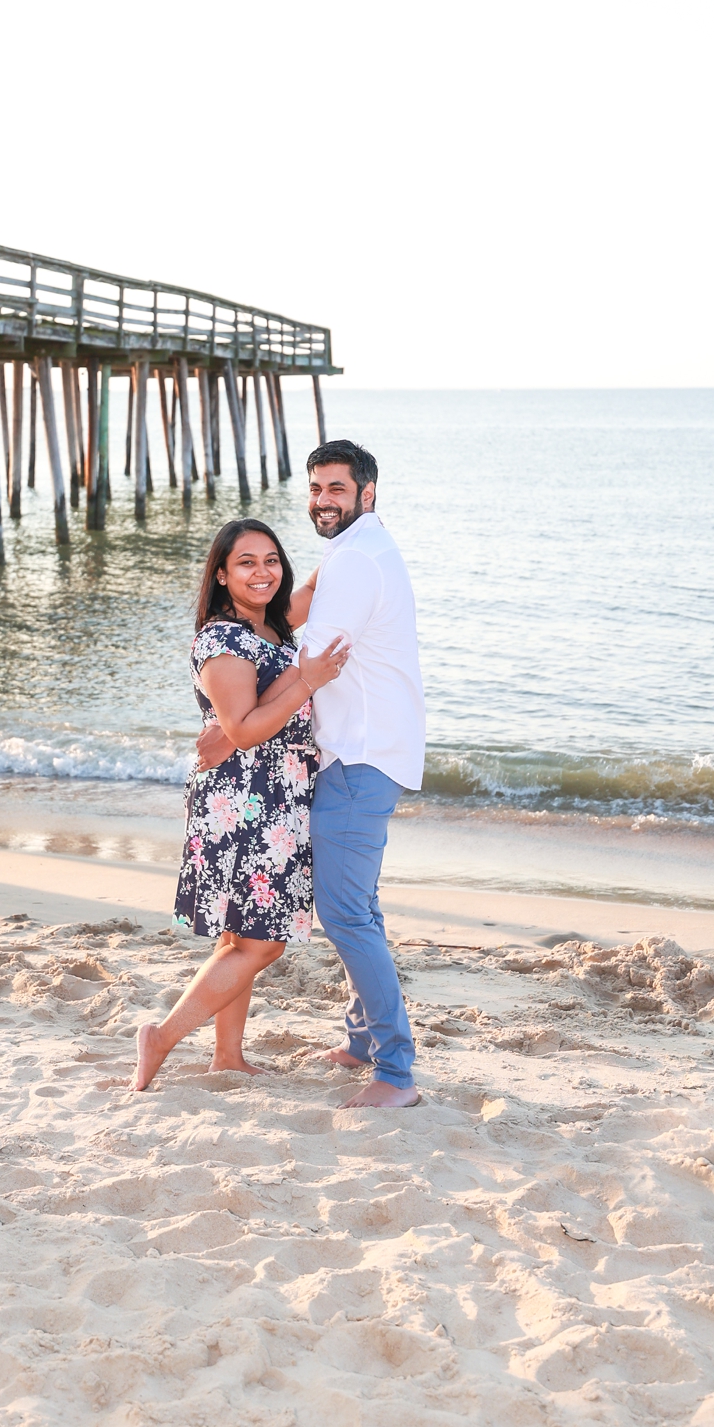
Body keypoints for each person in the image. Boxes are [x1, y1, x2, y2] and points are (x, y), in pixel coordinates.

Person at [197, 441, 425, 1110]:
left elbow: (316, 658)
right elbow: (300, 632)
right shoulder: (355, 552)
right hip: (363, 752)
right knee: (361, 911)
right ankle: (361, 1043)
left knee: (346, 914)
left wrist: (237, 714)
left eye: (337, 488)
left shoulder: (356, 559)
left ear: (368, 492)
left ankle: (396, 1073)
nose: (324, 499)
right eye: (316, 487)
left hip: (359, 756)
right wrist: (239, 703)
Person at [133, 519, 348, 1092]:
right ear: (222, 574)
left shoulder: (272, 626)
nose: (263, 573)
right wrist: (310, 680)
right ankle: (162, 1037)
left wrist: (357, 535)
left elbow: (318, 586)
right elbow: (245, 730)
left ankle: (227, 1056)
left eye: (272, 560)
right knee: (262, 941)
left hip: (272, 795)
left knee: (239, 936)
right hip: (245, 797)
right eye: (246, 563)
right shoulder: (222, 639)